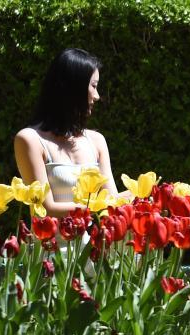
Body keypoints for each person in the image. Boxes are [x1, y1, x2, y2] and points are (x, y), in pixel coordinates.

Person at [15, 48, 120, 217]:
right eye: (93, 86)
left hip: (93, 243)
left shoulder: (96, 141)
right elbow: (46, 208)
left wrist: (146, 195)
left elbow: (112, 200)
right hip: (49, 243)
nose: (97, 96)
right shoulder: (30, 140)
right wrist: (98, 207)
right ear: (74, 87)